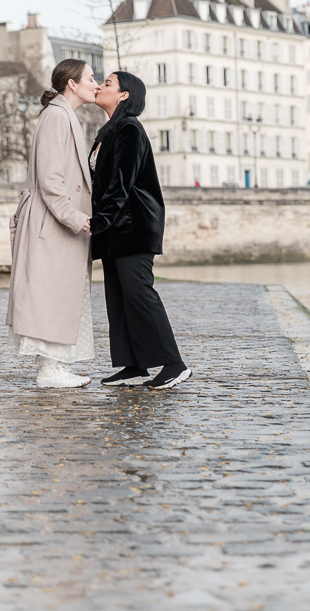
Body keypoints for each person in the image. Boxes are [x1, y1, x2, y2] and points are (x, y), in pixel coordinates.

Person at [89, 71, 191, 390]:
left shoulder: (129, 128)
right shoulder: (109, 129)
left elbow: (121, 183)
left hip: (132, 226)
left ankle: (174, 364)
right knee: (119, 298)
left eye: (107, 83)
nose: (100, 86)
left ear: (123, 95)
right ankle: (133, 366)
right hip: (114, 230)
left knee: (140, 294)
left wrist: (97, 224)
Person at [6, 59, 98, 388]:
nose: (96, 83)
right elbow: (50, 179)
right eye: (90, 77)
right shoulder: (57, 117)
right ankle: (49, 370)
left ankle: (56, 366)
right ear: (72, 84)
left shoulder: (62, 115)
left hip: (56, 221)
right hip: (52, 221)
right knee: (50, 294)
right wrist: (77, 218)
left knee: (58, 295)